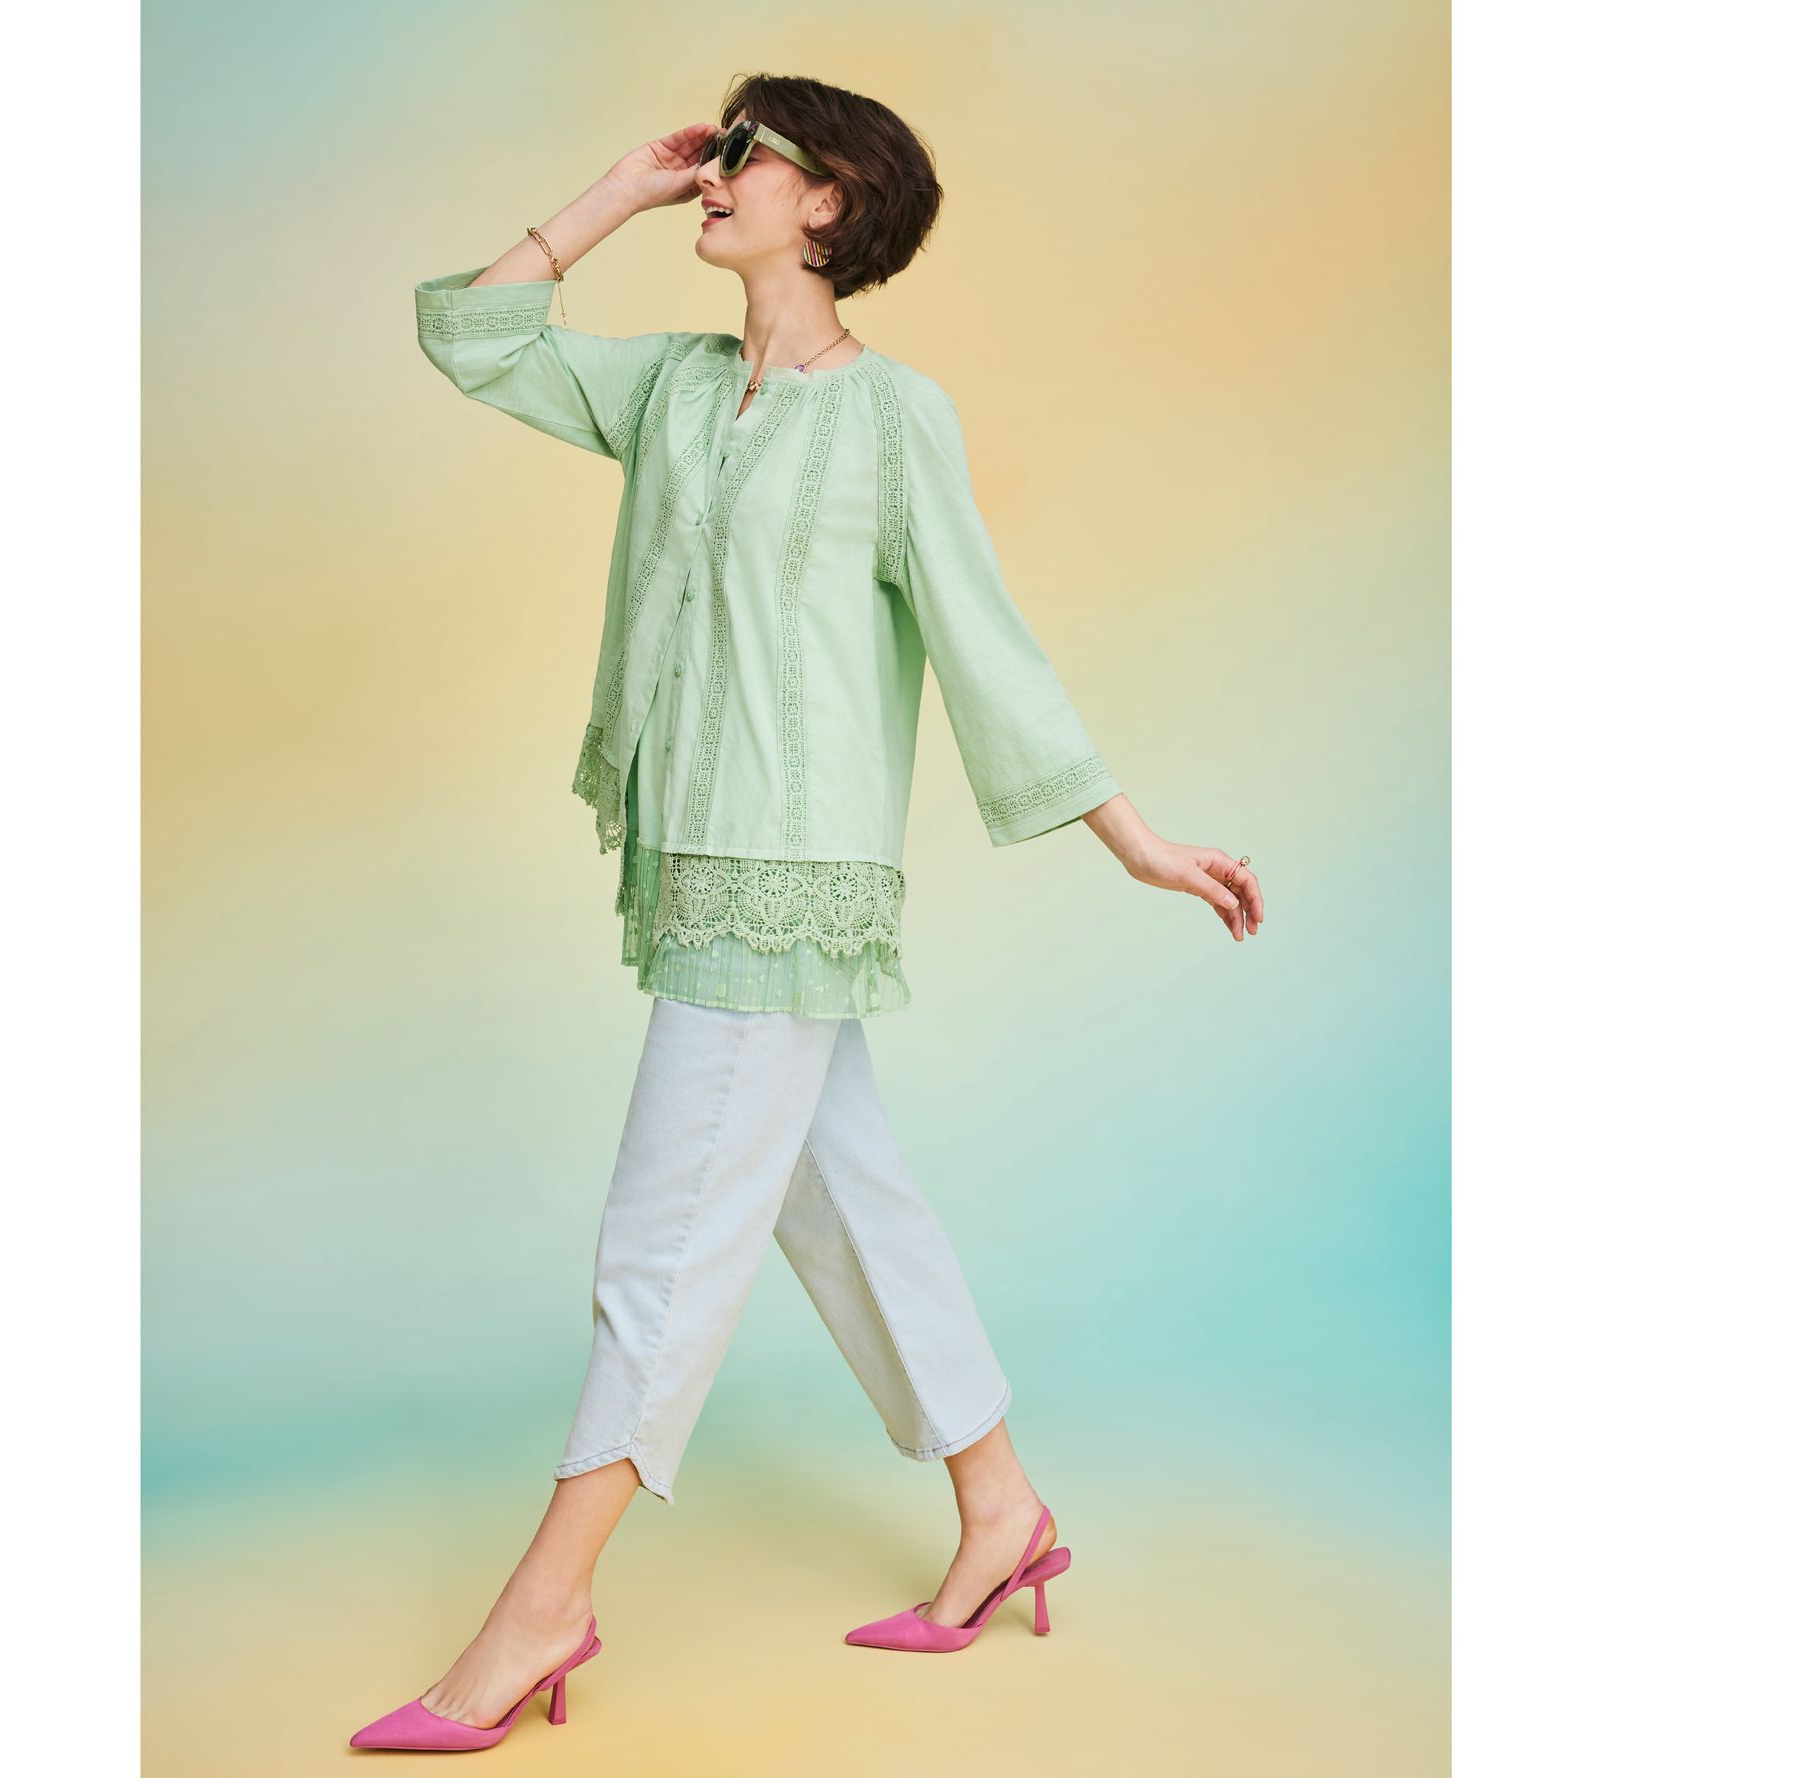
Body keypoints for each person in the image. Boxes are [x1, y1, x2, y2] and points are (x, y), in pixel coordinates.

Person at [350, 73, 1265, 1754]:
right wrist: (617, 192)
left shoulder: (895, 417)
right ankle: (1002, 1507)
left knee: (665, 1235)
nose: (715, 170)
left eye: (745, 152)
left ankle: (547, 1600)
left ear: (829, 199)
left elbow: (987, 642)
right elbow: (471, 336)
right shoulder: (674, 391)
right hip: (689, 860)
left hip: (794, 879)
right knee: (839, 1196)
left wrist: (1133, 839)